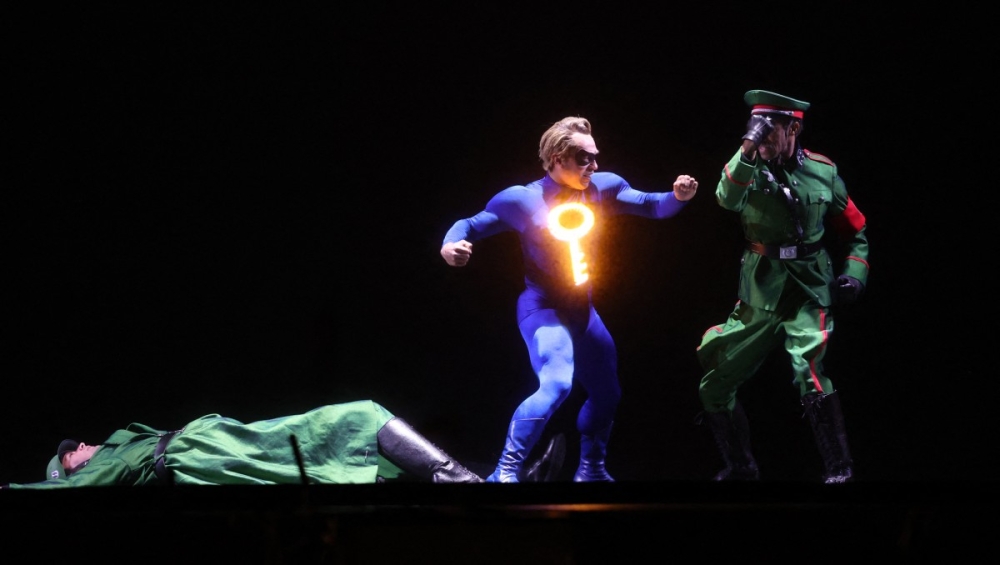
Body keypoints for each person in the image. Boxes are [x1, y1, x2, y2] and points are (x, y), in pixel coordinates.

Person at [440, 116, 698, 482]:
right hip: (542, 309)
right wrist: (451, 246)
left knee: (607, 393)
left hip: (583, 311)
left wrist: (679, 196)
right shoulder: (522, 199)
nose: (594, 166)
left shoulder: (602, 187)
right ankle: (504, 473)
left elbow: (652, 205)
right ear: (558, 157)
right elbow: (469, 224)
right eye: (584, 158)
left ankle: (591, 470)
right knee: (558, 383)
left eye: (595, 157)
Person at [695, 90, 870, 483]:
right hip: (760, 290)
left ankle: (840, 471)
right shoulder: (748, 165)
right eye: (756, 128)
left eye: (769, 130)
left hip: (808, 286)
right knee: (715, 383)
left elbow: (857, 231)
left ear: (793, 128)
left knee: (807, 366)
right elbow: (726, 198)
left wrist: (855, 274)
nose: (761, 137)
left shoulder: (823, 172)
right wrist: (748, 147)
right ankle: (741, 468)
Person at [2, 399, 562, 488]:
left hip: (217, 437)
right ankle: (474, 487)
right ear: (67, 470)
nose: (81, 446)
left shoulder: (120, 443)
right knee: (352, 422)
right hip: (205, 458)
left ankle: (476, 483)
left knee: (351, 417)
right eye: (71, 452)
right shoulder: (90, 479)